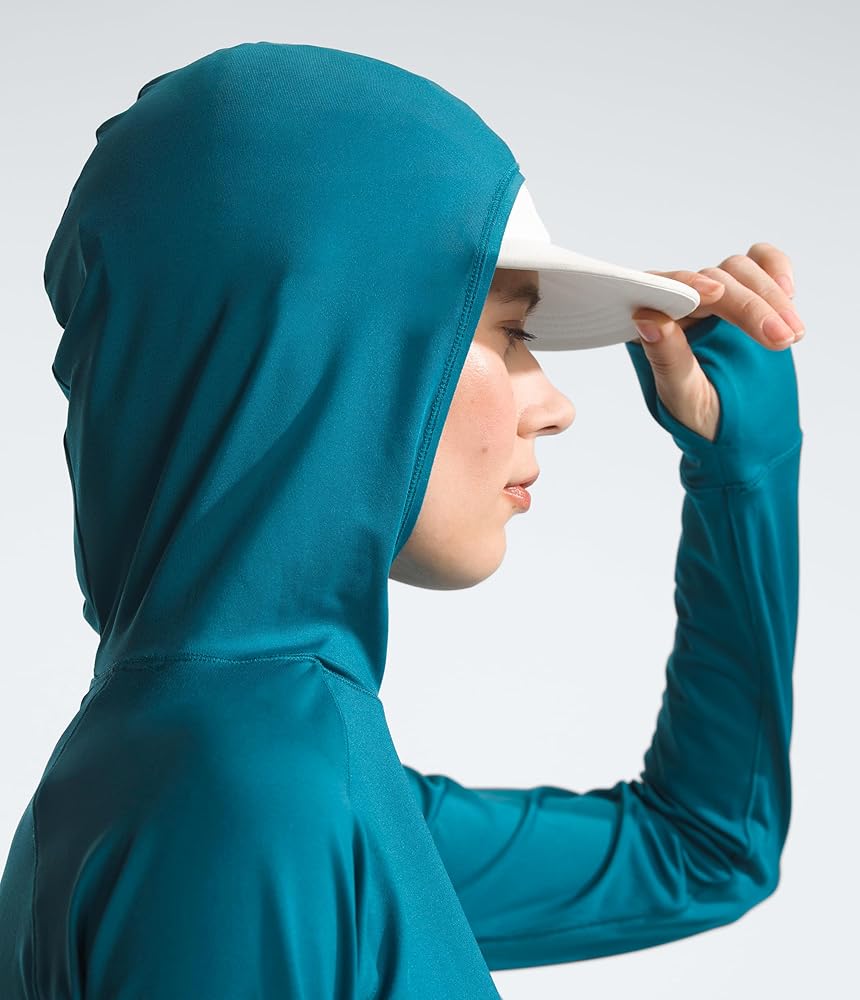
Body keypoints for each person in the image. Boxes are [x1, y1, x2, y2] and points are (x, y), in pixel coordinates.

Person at [0, 41, 802, 998]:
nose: (554, 404)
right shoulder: (246, 795)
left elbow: (706, 852)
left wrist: (742, 473)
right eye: (509, 331)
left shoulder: (246, 760)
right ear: (327, 345)